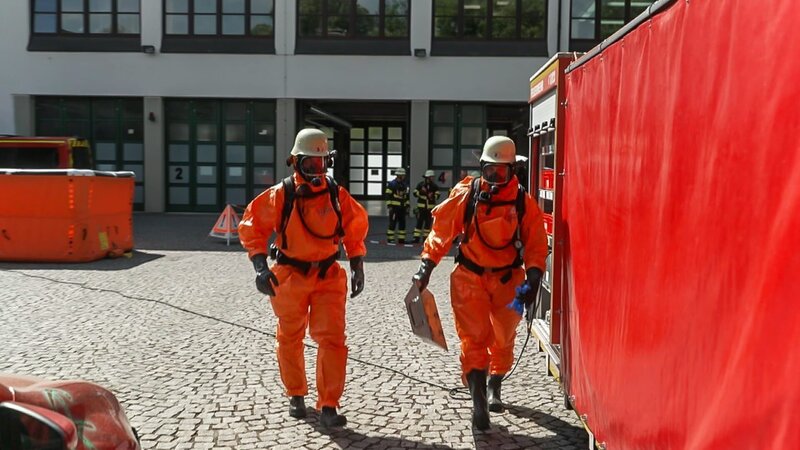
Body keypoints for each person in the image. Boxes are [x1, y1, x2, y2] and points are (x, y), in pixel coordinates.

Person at [411, 136, 548, 430]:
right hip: (469, 277)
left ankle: (494, 383)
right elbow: (441, 230)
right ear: (482, 167)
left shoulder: (523, 202)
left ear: (512, 170)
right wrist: (426, 267)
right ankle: (478, 401)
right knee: (473, 339)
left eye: (502, 172)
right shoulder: (468, 194)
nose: (495, 178)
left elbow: (536, 241)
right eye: (490, 171)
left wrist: (534, 272)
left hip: (509, 281)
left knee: (503, 337)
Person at [239, 128, 368, 428]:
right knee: (290, 336)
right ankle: (295, 394)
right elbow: (251, 226)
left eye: (320, 164)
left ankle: (329, 404)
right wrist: (260, 267)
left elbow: (354, 225)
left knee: (333, 340)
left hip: (327, 276)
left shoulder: (335, 193)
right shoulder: (281, 194)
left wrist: (357, 264)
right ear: (295, 162)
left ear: (328, 163)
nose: (315, 171)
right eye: (309, 165)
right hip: (290, 276)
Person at [412, 170, 441, 244]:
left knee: (428, 224)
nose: (433, 178)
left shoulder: (434, 186)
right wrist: (421, 192)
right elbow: (414, 193)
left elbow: (438, 195)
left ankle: (425, 238)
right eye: (431, 177)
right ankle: (416, 238)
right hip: (421, 208)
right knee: (419, 223)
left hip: (430, 209)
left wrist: (433, 196)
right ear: (427, 177)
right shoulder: (421, 185)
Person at [385, 168, 410, 245]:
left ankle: (401, 239)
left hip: (402, 208)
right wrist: (389, 205)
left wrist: (407, 205)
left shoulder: (405, 184)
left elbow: (406, 196)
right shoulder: (392, 184)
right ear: (399, 175)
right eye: (403, 175)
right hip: (394, 208)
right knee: (392, 223)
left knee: (402, 223)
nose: (404, 176)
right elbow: (388, 195)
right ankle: (390, 239)